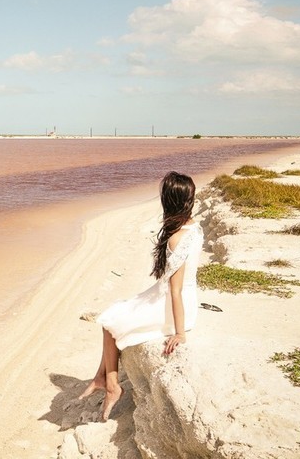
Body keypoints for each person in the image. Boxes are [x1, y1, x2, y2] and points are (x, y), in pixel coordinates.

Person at [78, 171, 203, 421]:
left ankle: (112, 385)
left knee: (109, 320)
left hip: (173, 305)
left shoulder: (178, 238)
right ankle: (102, 377)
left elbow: (175, 291)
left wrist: (180, 333)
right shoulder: (194, 227)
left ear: (168, 200)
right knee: (116, 311)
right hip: (179, 298)